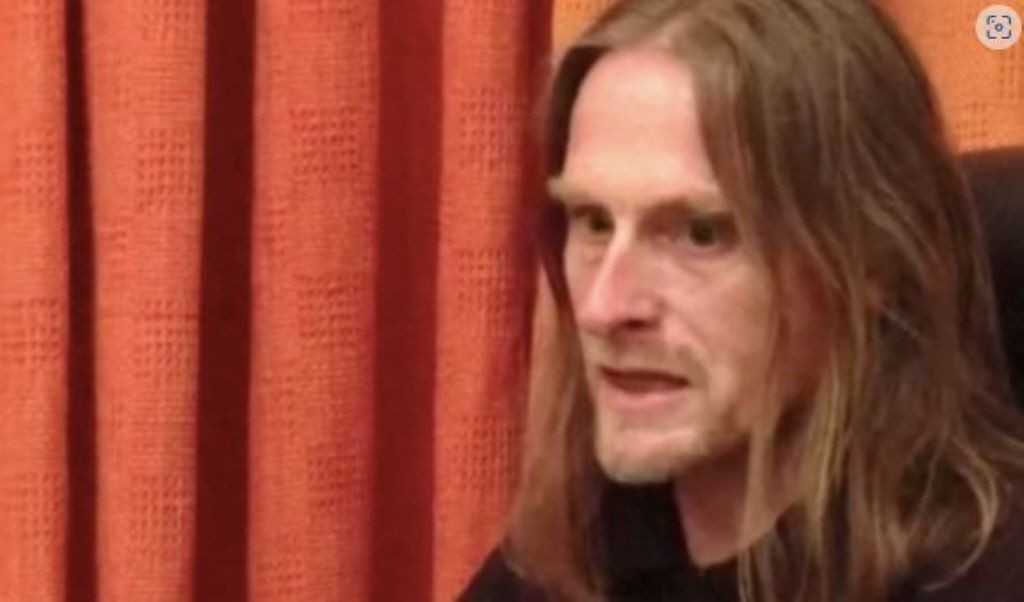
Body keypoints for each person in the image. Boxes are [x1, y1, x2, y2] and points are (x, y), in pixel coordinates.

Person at [458, 0, 1024, 601]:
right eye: (594, 221)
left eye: (702, 234)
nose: (602, 308)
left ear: (872, 262)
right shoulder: (572, 558)